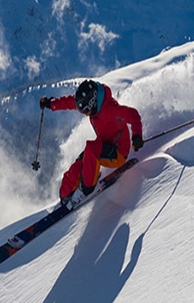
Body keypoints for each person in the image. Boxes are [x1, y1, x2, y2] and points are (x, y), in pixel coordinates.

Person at [40, 79, 144, 209]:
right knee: (80, 162)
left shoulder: (111, 110)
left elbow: (133, 115)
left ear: (92, 104)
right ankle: (66, 194)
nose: (85, 114)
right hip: (104, 146)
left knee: (91, 149)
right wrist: (51, 104)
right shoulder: (89, 103)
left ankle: (86, 189)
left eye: (86, 111)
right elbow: (70, 102)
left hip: (118, 152)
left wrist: (137, 136)